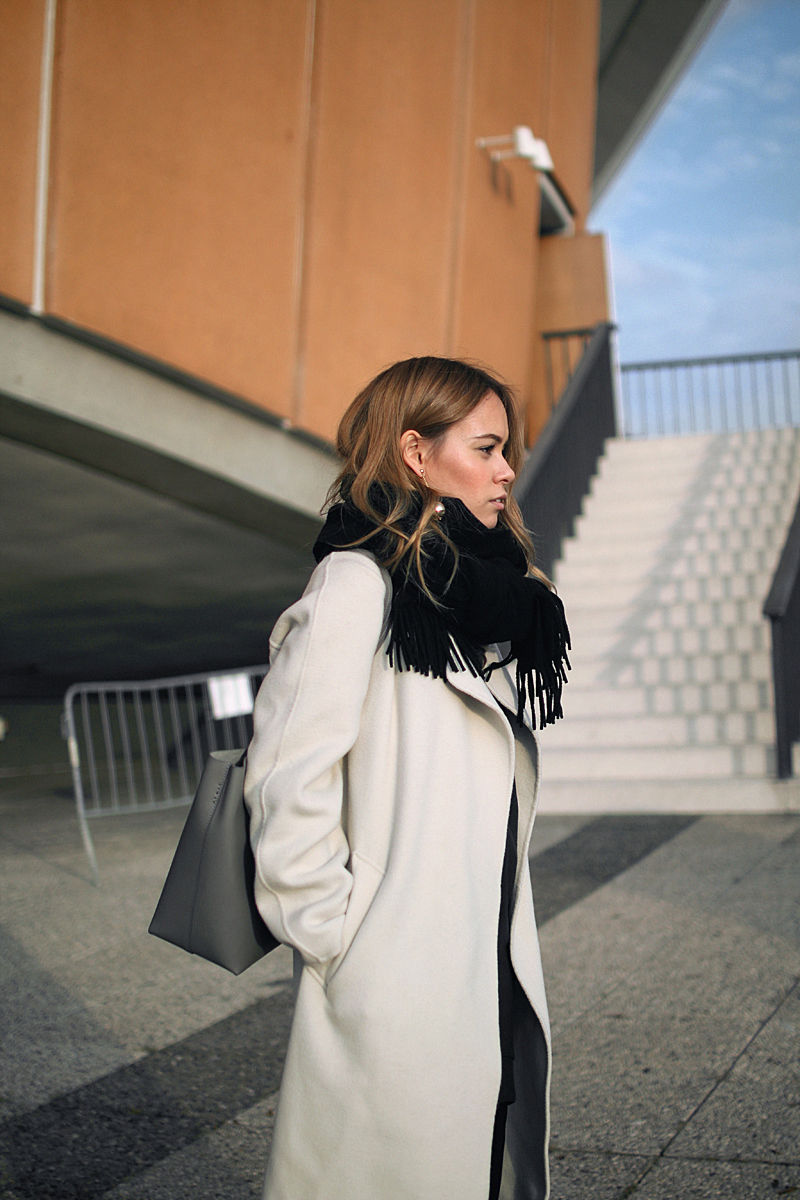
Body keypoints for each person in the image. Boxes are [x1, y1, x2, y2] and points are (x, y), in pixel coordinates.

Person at [244, 356, 570, 1200]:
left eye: (507, 450)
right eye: (487, 448)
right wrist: (337, 936)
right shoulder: (358, 582)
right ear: (416, 453)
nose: (507, 470)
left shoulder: (475, 595)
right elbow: (286, 774)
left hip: (481, 958)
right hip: (394, 969)